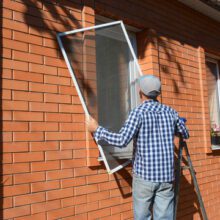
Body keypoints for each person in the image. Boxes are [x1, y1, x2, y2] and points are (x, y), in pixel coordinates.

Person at [86, 74, 189, 220]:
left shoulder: (138, 113)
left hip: (145, 177)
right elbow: (184, 133)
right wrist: (175, 126)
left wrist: (97, 129)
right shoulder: (171, 112)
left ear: (140, 91)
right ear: (158, 92)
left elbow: (122, 140)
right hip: (166, 176)